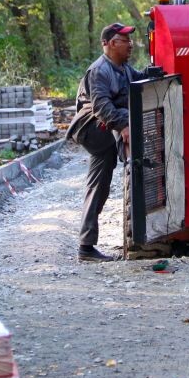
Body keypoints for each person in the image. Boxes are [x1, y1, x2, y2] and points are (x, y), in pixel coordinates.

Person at [66, 22, 148, 262]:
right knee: (99, 183)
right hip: (93, 128)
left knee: (98, 185)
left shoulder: (123, 68)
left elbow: (140, 81)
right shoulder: (99, 70)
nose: (131, 45)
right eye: (126, 41)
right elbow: (102, 107)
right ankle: (86, 247)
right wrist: (124, 126)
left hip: (103, 128)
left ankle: (87, 246)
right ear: (112, 43)